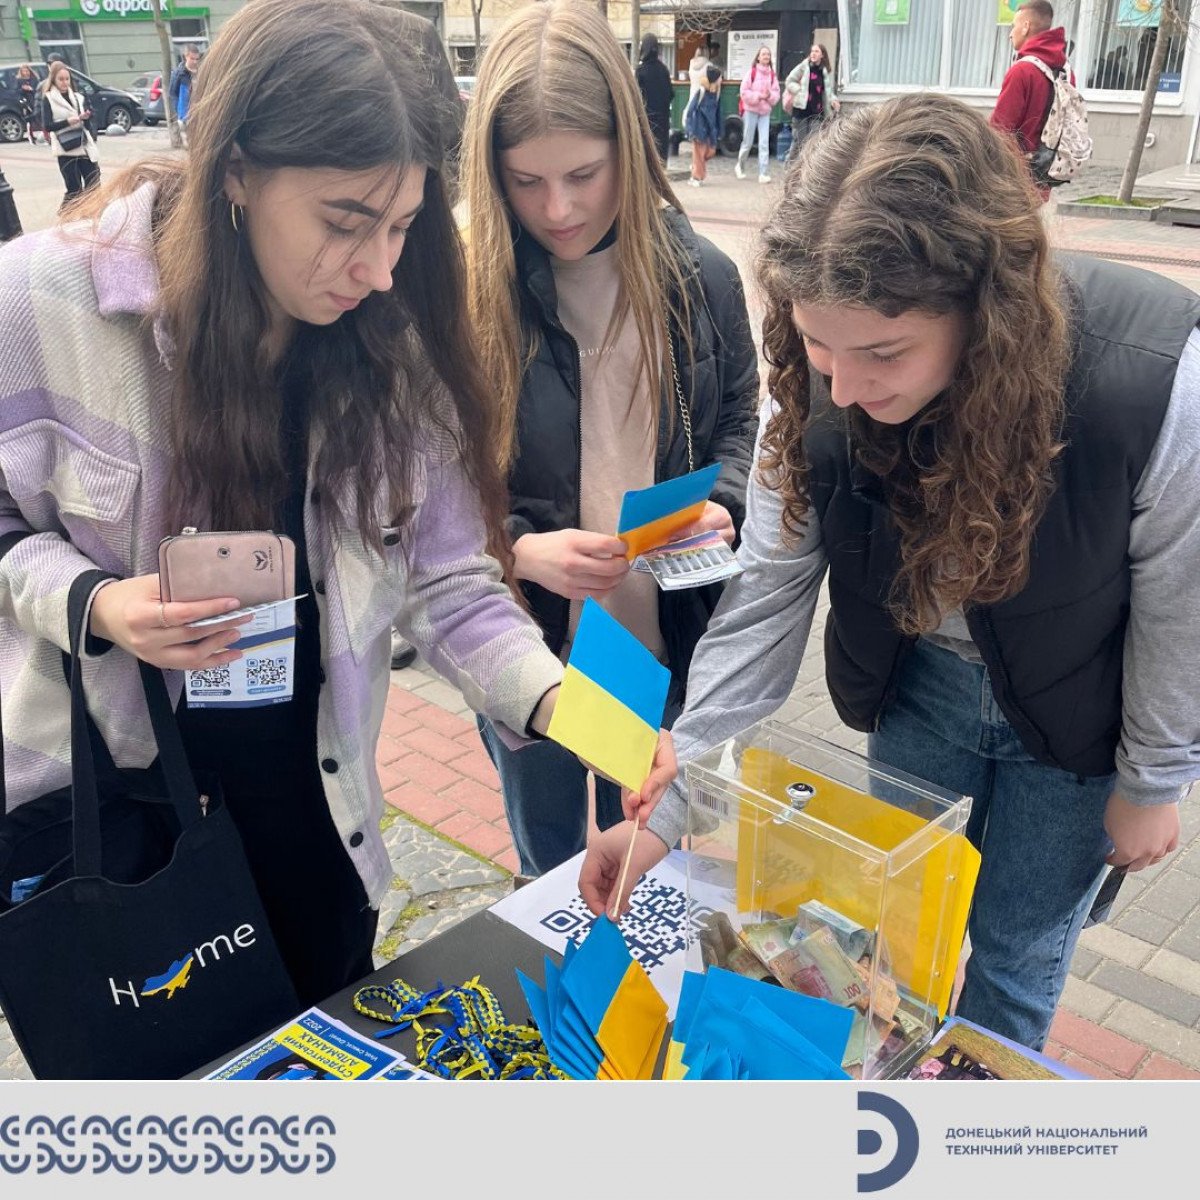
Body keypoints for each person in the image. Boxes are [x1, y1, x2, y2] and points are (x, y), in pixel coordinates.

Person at [0, 0, 672, 1009]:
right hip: (115, 838)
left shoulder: (393, 337)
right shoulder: (41, 306)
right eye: (345, 222)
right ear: (235, 170)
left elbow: (452, 584)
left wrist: (576, 712)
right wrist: (96, 602)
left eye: (403, 225)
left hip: (316, 820)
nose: (380, 267)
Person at [580, 94, 1196, 1054]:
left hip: (1082, 713)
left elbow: (1180, 603)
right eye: (817, 342)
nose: (846, 386)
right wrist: (676, 797)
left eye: (884, 352)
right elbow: (765, 597)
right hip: (920, 691)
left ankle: (977, 1119)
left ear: (983, 309)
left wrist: (1154, 778)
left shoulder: (1152, 379)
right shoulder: (812, 390)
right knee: (892, 941)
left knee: (1016, 953)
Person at [461, 0, 758, 880]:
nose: (558, 208)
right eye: (526, 180)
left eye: (584, 174)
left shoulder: (700, 277)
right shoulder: (470, 292)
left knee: (654, 869)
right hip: (533, 650)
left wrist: (724, 502)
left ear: (629, 145)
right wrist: (518, 550)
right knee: (555, 872)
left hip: (664, 641)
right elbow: (428, 485)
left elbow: (743, 418)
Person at [991, 1, 1068, 198]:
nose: (1010, 34)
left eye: (1013, 26)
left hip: (1014, 180)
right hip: (1045, 175)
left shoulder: (1022, 71)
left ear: (1025, 27)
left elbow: (1000, 130)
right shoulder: (1064, 71)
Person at [40, 61, 99, 210]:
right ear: (54, 79)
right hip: (65, 148)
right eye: (61, 79)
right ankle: (66, 213)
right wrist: (67, 122)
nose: (65, 82)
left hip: (83, 144)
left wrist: (86, 117)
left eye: (67, 79)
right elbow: (47, 125)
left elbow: (89, 119)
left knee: (94, 183)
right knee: (74, 189)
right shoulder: (48, 98)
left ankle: (92, 212)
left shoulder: (78, 97)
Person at [783, 44, 838, 161]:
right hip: (801, 111)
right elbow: (789, 81)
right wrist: (799, 90)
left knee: (814, 142)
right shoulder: (804, 66)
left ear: (822, 55)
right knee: (799, 142)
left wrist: (833, 100)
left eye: (816, 51)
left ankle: (807, 169)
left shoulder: (824, 71)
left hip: (817, 112)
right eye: (812, 51)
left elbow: (827, 91)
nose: (813, 53)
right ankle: (790, 166)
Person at [735, 46, 779, 185]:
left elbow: (776, 94)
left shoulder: (772, 75)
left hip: (765, 112)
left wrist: (769, 96)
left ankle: (763, 173)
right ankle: (740, 165)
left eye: (768, 54)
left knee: (764, 142)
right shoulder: (751, 73)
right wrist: (759, 96)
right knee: (747, 141)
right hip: (751, 110)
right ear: (758, 57)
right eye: (763, 54)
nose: (766, 56)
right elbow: (744, 91)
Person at [636, 32, 674, 164]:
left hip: (646, 121)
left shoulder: (641, 71)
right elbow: (671, 94)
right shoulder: (664, 70)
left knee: (647, 158)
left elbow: (636, 98)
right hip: (663, 121)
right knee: (661, 160)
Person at [685, 61, 721, 187]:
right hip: (699, 127)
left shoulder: (715, 94)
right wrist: (690, 128)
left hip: (707, 128)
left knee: (706, 153)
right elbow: (691, 110)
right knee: (699, 154)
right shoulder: (702, 93)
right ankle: (697, 177)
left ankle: (696, 171)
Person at [170, 43, 201, 126]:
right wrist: (180, 114)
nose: (195, 61)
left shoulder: (202, 72)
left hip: (201, 113)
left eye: (197, 59)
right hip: (186, 117)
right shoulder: (179, 74)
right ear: (186, 56)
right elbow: (173, 94)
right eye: (192, 58)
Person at [15, 64, 43, 146]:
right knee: (29, 120)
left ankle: (45, 136)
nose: (26, 73)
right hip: (26, 103)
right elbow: (16, 92)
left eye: (27, 71)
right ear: (21, 72)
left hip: (36, 101)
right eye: (24, 71)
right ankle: (31, 138)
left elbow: (38, 90)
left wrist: (31, 89)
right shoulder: (19, 81)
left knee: (40, 118)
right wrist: (23, 89)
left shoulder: (34, 79)